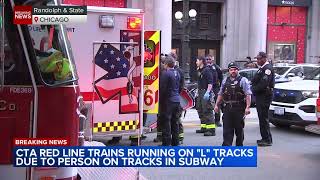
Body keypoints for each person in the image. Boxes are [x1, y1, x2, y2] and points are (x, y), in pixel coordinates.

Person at [214, 62, 252, 146]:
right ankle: (226, 149)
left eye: (235, 69)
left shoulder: (243, 80)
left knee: (239, 130)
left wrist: (248, 107)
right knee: (227, 130)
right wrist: (217, 105)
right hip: (227, 108)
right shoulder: (225, 80)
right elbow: (220, 93)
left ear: (238, 70)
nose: (233, 71)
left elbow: (248, 94)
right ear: (229, 71)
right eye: (231, 70)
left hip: (239, 108)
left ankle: (239, 148)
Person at [251, 52, 275, 147]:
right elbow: (255, 80)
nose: (257, 61)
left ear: (264, 58)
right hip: (260, 96)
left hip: (264, 96)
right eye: (257, 59)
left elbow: (263, 84)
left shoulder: (267, 68)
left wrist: (252, 90)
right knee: (261, 117)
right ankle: (265, 137)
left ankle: (267, 139)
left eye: (259, 59)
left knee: (263, 118)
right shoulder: (262, 68)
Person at [160, 55, 181, 146]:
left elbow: (163, 88)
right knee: (175, 121)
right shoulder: (177, 73)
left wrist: (160, 99)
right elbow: (179, 86)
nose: (163, 65)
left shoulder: (166, 73)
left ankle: (166, 142)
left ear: (167, 64)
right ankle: (175, 142)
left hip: (168, 101)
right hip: (176, 100)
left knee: (166, 121)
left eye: (164, 64)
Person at [195, 56, 216, 136]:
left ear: (201, 61)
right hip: (200, 92)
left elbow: (210, 83)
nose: (196, 62)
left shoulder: (207, 70)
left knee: (207, 110)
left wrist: (208, 92)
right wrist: (198, 91)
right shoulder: (199, 70)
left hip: (205, 91)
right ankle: (204, 127)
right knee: (200, 109)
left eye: (197, 61)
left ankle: (211, 130)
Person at [206, 55, 223, 127]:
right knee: (207, 105)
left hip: (215, 87)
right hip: (207, 88)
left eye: (209, 59)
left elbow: (221, 77)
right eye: (207, 59)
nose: (208, 61)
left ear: (213, 60)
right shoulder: (205, 68)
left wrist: (221, 88)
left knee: (217, 103)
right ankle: (208, 120)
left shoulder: (216, 67)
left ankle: (217, 120)